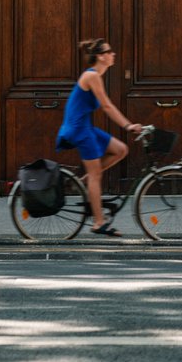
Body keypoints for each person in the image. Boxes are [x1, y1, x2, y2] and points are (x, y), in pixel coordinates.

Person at [56, 38, 142, 236]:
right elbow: (107, 106)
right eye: (109, 51)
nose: (113, 54)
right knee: (96, 175)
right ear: (101, 57)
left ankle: (83, 181)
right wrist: (128, 125)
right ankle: (98, 222)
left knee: (121, 150)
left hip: (85, 127)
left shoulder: (96, 76)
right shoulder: (92, 76)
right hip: (78, 130)